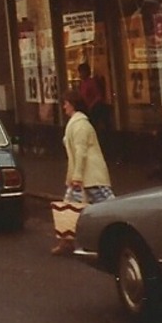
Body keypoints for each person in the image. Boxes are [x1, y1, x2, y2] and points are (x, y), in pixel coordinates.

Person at [56, 89, 115, 255]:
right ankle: (66, 241)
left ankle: (120, 238)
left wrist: (76, 177)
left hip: (91, 177)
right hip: (83, 176)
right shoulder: (76, 123)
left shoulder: (81, 125)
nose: (64, 107)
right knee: (68, 207)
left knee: (110, 208)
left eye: (66, 103)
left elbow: (81, 152)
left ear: (73, 104)